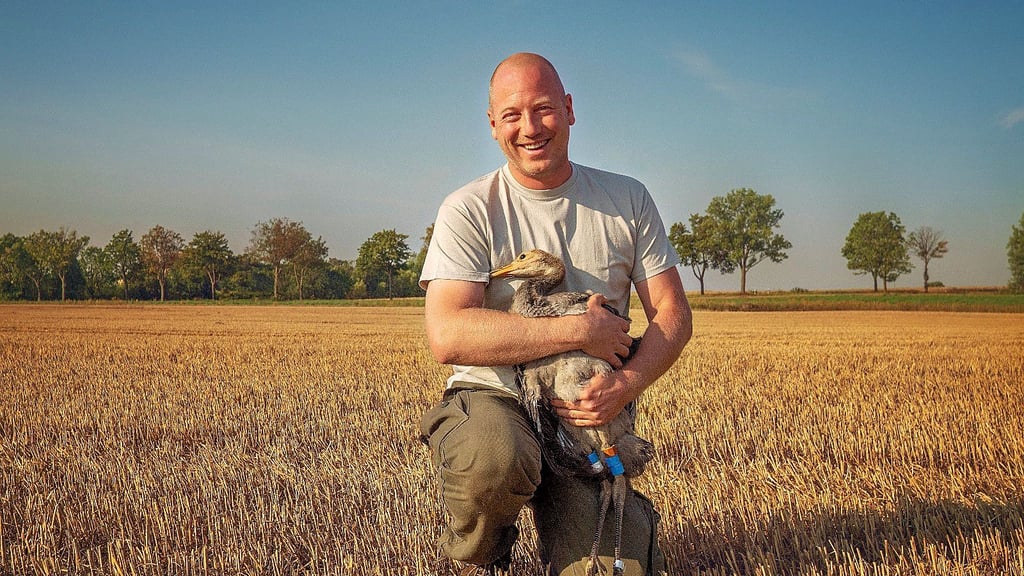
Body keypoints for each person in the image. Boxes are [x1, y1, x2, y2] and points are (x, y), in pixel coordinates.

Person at [418, 52, 693, 576]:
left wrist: (626, 383)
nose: (530, 128)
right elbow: (448, 334)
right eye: (513, 115)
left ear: (568, 109)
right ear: (494, 125)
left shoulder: (627, 199)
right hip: (496, 395)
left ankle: (598, 508)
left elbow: (673, 312)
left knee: (616, 568)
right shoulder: (468, 208)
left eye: (543, 109)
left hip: (583, 413)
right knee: (494, 460)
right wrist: (578, 330)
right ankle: (486, 551)